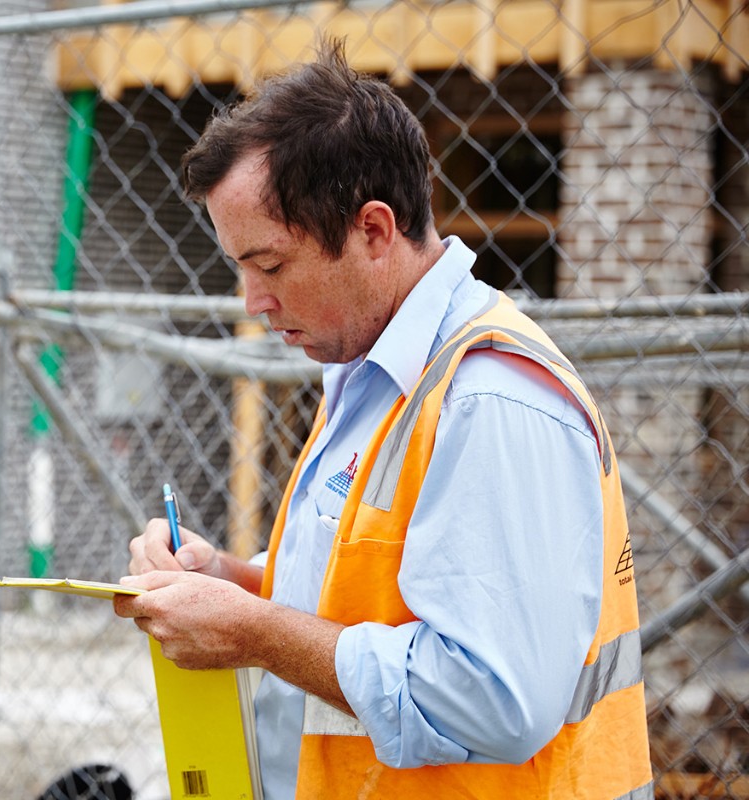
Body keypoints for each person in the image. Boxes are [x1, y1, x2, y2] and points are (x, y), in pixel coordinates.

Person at [112, 41, 652, 799]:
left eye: (270, 266)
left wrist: (254, 632)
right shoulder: (368, 373)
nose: (253, 302)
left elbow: (494, 698)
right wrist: (233, 583)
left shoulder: (488, 400)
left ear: (373, 230)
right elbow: (378, 585)